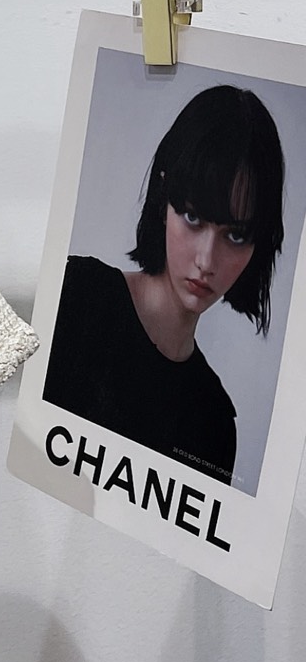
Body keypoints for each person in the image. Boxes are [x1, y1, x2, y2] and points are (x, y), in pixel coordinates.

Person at [44, 82, 286, 485]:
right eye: (193, 218)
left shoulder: (214, 421)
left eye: (236, 234)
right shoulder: (76, 296)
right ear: (163, 196)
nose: (206, 261)